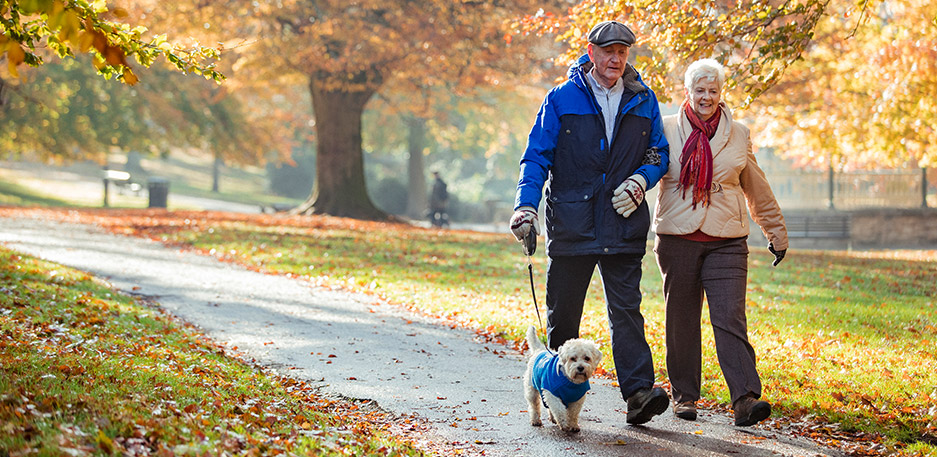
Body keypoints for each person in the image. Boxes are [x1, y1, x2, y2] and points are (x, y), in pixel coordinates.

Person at [510, 20, 672, 425]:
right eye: (609, 51)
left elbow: (658, 153)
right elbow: (536, 157)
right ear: (591, 51)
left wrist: (640, 181)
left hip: (623, 222)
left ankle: (638, 395)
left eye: (623, 51)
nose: (616, 58)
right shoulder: (561, 98)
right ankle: (556, 390)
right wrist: (525, 207)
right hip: (572, 223)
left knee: (627, 313)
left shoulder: (642, 98)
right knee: (563, 316)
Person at [652, 58, 788, 426]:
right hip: (677, 237)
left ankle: (744, 398)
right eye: (699, 90)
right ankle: (685, 397)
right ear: (688, 92)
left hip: (727, 238)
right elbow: (645, 172)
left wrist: (776, 232)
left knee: (729, 316)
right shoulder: (664, 129)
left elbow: (756, 187)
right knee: (681, 318)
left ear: (721, 93)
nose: (706, 97)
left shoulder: (739, 133)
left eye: (713, 90)